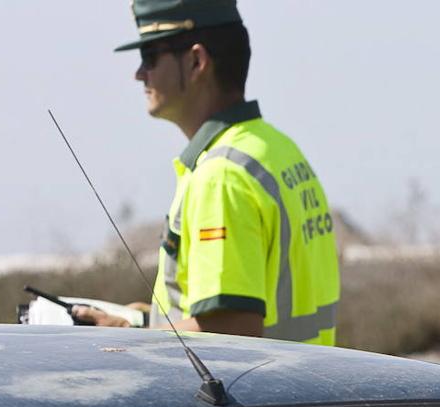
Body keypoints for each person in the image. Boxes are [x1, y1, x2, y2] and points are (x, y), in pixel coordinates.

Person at [76, 0, 340, 345]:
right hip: (300, 388)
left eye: (150, 56)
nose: (140, 73)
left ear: (197, 62)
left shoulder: (221, 175)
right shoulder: (276, 149)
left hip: (256, 394)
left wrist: (127, 339)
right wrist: (143, 322)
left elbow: (230, 331)